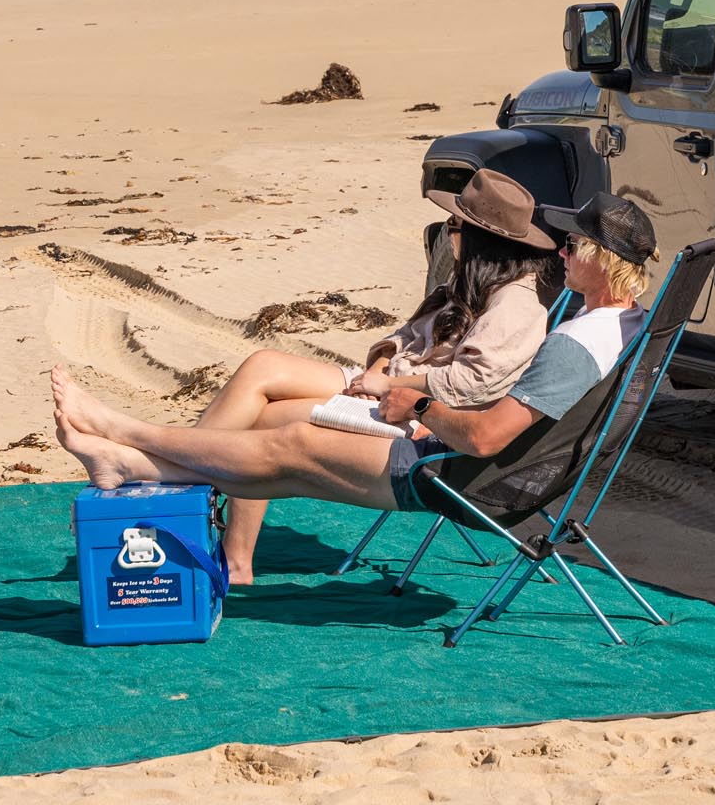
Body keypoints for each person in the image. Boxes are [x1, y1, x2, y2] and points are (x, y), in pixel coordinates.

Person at [52, 194, 659, 528]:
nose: (561, 251)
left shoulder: (580, 344)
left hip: (459, 477)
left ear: (602, 260)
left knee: (287, 443)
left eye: (573, 244)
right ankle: (132, 467)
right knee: (281, 459)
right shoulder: (615, 323)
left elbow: (485, 437)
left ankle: (124, 434)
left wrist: (416, 401)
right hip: (467, 459)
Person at [198, 168, 563, 583]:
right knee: (263, 364)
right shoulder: (474, 280)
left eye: (454, 225)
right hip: (391, 386)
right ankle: (189, 487)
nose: (447, 232)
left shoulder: (516, 305)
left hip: (421, 415)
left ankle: (209, 526)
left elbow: (469, 385)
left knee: (266, 419)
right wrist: (379, 365)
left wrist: (388, 386)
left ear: (484, 239)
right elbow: (408, 333)